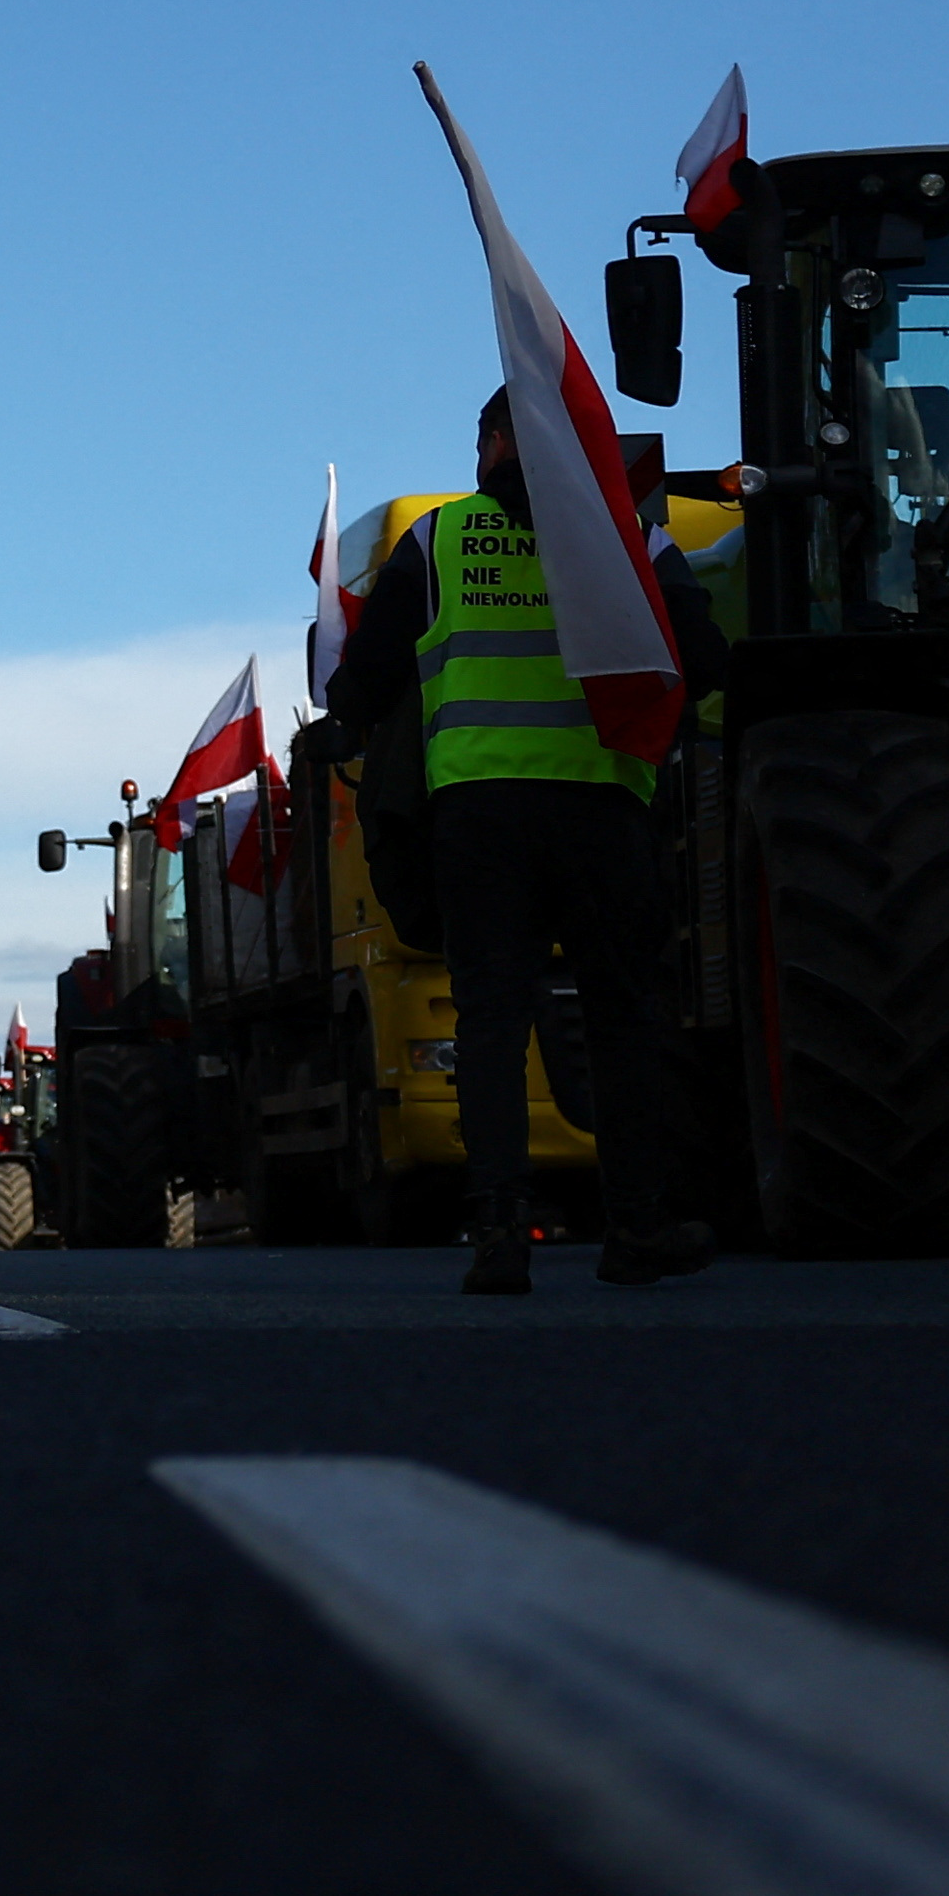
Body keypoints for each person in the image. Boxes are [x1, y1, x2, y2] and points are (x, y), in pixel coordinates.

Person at [325, 389, 728, 1296]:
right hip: (602, 812)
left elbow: (366, 682)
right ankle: (635, 1228)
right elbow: (704, 660)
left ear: (497, 442)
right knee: (624, 1021)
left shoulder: (436, 540)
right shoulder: (632, 538)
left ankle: (500, 1237)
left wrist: (344, 725)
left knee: (492, 1023)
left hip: (480, 815)